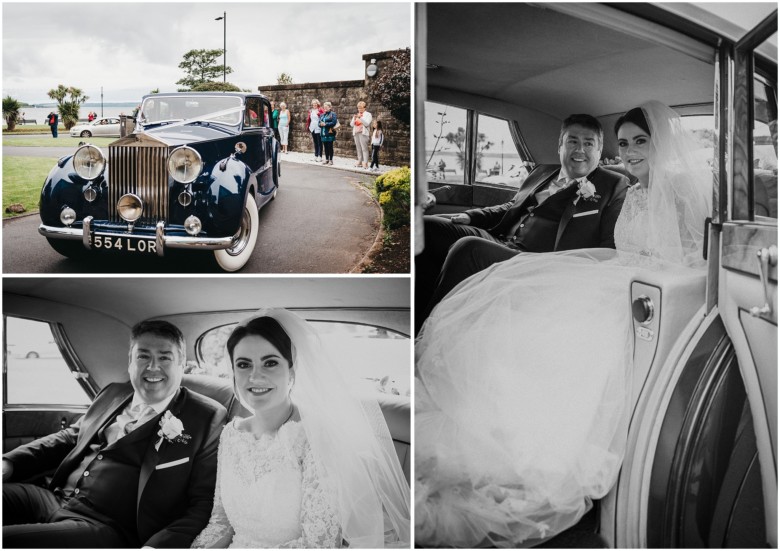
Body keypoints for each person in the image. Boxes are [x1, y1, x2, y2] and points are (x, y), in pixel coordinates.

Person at [414, 101, 711, 547]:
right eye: (624, 142)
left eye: (639, 142)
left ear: (662, 144)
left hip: (640, 288)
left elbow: (696, 261)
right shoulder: (635, 191)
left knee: (548, 328)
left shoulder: (671, 191)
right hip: (610, 273)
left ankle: (525, 455)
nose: (629, 152)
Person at [192, 309, 410, 548]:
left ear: (292, 371)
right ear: (233, 371)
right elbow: (221, 521)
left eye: (270, 363)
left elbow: (316, 544)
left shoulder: (318, 438)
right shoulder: (230, 435)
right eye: (244, 364)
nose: (255, 376)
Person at [2, 320, 228, 548]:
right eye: (143, 356)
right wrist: (9, 462)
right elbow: (70, 438)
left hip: (105, 527)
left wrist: (157, 546)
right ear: (130, 362)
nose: (152, 367)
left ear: (181, 364)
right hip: (51, 497)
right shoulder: (112, 393)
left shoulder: (206, 417)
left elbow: (203, 502)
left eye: (164, 357)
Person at [415, 114, 629, 332]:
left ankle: (428, 330)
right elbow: (512, 207)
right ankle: (415, 312)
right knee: (426, 227)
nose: (580, 150)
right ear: (560, 145)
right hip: (500, 239)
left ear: (599, 149)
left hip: (536, 262)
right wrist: (472, 216)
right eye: (572, 141)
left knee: (468, 248)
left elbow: (608, 248)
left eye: (588, 143)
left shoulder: (614, 185)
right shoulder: (541, 171)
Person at [350, 101, 373, 169]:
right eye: (358, 108)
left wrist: (360, 118)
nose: (359, 109)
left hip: (363, 133)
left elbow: (367, 124)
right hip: (356, 133)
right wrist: (354, 119)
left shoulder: (368, 114)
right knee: (358, 148)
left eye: (361, 108)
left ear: (364, 108)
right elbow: (351, 125)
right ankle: (359, 161)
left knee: (364, 148)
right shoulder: (357, 114)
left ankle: (365, 162)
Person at [319, 101, 338, 166]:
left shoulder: (333, 114)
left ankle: (331, 160)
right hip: (323, 133)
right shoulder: (322, 115)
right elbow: (319, 123)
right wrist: (320, 124)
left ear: (330, 107)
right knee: (325, 147)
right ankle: (326, 159)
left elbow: (334, 122)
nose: (325, 108)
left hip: (330, 132)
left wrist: (325, 124)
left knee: (330, 146)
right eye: (324, 107)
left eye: (327, 107)